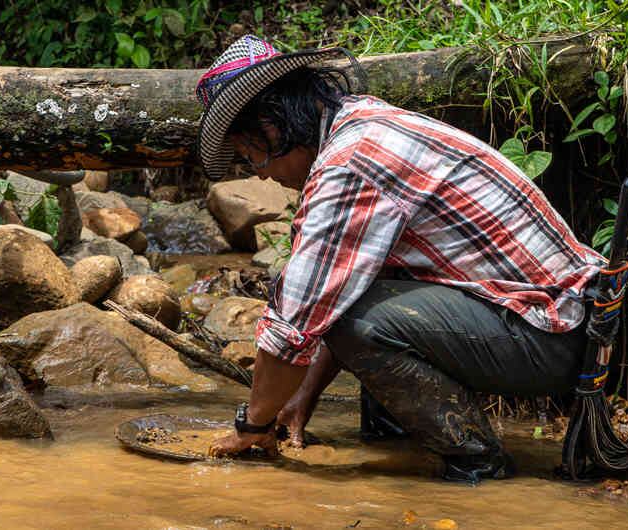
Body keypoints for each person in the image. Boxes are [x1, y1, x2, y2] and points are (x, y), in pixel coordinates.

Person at [196, 35, 605, 483]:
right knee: (355, 304)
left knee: (358, 322)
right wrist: (299, 401)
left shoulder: (350, 163)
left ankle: (477, 464)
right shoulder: (361, 122)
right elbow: (342, 287)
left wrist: (252, 425)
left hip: (550, 334)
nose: (259, 173)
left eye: (250, 155)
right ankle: (402, 452)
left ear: (272, 126)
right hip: (557, 321)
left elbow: (298, 317)